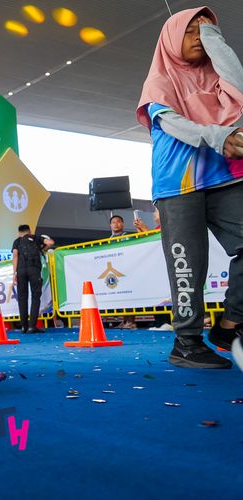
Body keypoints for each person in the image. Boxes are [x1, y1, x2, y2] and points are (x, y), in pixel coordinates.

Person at [137, 7, 243, 368]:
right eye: (191, 31)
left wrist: (215, 39)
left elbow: (239, 86)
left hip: (225, 175)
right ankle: (186, 342)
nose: (199, 37)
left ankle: (229, 325)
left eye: (206, 30)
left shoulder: (217, 78)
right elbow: (175, 125)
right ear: (171, 38)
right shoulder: (159, 81)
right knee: (189, 266)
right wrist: (219, 137)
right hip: (178, 182)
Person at [11, 225, 55, 333]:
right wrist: (42, 247)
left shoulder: (17, 241)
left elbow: (15, 256)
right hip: (34, 269)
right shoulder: (35, 237)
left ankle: (24, 326)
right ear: (29, 231)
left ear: (19, 233)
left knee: (22, 298)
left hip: (21, 271)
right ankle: (32, 326)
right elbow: (50, 242)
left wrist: (14, 273)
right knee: (35, 297)